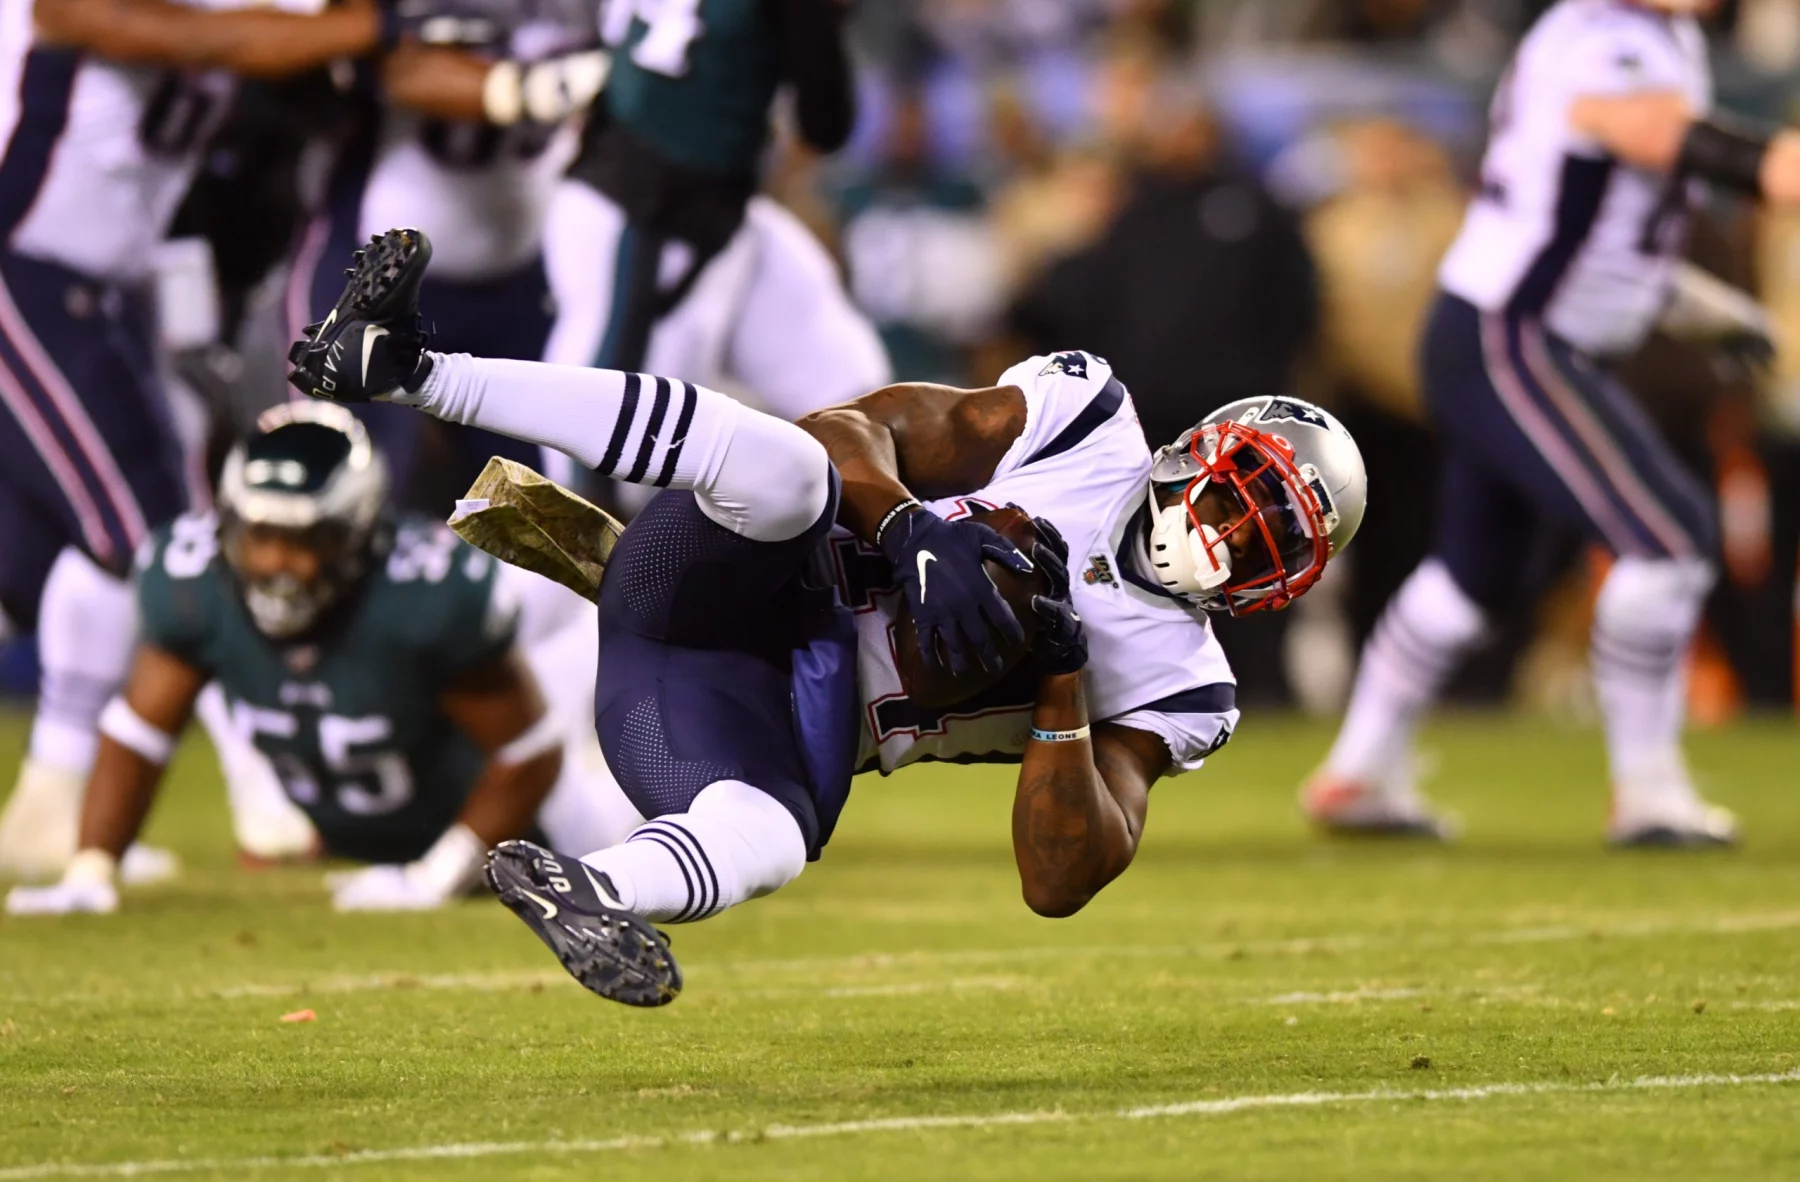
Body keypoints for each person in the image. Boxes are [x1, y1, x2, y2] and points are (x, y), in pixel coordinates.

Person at [283, 227, 1366, 1005]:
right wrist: (909, 531)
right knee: (792, 470)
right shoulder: (1084, 422)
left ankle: (588, 884)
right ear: (1200, 454)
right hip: (735, 578)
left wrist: (1062, 674)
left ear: (1284, 584)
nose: (1229, 540)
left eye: (1270, 543)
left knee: (775, 839)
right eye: (1239, 500)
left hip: (766, 718)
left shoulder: (1187, 684)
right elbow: (850, 425)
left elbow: (1058, 879)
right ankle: (409, 365)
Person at [1302, 0, 1800, 845]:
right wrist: (1770, 165)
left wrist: (1678, 299)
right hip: (1516, 334)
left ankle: (1357, 772)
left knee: (1477, 577)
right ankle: (1648, 790)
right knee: (1669, 535)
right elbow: (1646, 131)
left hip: (1513, 328)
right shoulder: (1604, 36)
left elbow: (1600, 219)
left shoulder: (1658, 37)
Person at [0, 0, 394, 880]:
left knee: (51, 564)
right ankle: (266, 791)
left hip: (109, 293)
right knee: (157, 540)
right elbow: (190, 34)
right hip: (22, 268)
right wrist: (383, 26)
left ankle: (48, 803)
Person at [5, 403, 644, 916]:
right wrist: (91, 870)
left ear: (357, 535)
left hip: (531, 816)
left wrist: (436, 876)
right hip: (382, 824)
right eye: (260, 536)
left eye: (304, 540)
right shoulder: (193, 583)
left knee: (613, 847)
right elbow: (138, 732)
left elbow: (528, 752)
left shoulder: (427, 599)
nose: (277, 565)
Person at [286, 0, 608, 508]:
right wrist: (538, 88)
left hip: (519, 278)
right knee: (347, 495)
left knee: (548, 508)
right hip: (378, 276)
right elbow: (396, 66)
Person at [540, 0, 889, 421]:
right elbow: (827, 124)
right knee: (616, 437)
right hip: (651, 223)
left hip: (683, 206)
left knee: (850, 391)